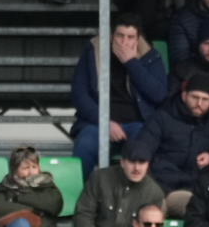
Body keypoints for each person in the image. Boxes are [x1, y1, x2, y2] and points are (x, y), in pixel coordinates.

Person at [70, 14, 167, 180]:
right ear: (111, 36)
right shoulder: (94, 51)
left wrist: (131, 62)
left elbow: (158, 94)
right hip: (97, 123)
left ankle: (137, 196)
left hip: (137, 123)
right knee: (85, 145)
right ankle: (78, 194)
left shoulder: (149, 56)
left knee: (142, 150)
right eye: (120, 36)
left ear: (138, 40)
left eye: (130, 37)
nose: (124, 42)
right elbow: (79, 94)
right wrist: (105, 122)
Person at [67, 140, 166, 227]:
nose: (137, 168)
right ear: (122, 162)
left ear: (148, 164)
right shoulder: (99, 178)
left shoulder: (154, 193)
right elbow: (82, 217)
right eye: (132, 162)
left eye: (142, 162)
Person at [135, 73, 209, 216]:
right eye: (195, 97)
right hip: (158, 186)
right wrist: (152, 188)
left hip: (191, 190)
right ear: (184, 96)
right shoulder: (161, 118)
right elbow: (141, 153)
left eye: (205, 99)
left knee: (208, 212)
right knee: (151, 215)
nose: (199, 103)